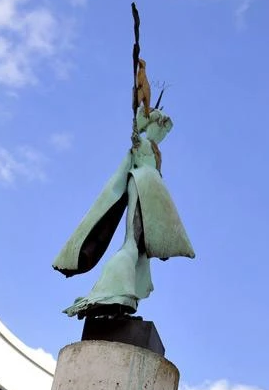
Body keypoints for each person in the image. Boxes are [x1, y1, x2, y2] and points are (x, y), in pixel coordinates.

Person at [52, 100, 195, 319]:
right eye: (163, 127)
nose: (164, 134)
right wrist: (139, 120)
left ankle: (124, 297)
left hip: (151, 193)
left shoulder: (155, 150)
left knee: (139, 253)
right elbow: (126, 168)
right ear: (154, 124)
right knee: (131, 244)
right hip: (140, 187)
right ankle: (109, 294)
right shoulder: (140, 145)